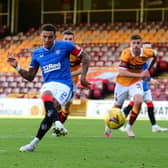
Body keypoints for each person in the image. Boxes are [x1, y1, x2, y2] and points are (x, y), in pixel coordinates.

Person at [7, 24, 90, 152]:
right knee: (47, 96)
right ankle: (47, 133)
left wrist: (83, 77)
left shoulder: (65, 46)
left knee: (51, 111)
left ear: (55, 37)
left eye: (50, 37)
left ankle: (38, 139)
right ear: (41, 36)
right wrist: (17, 67)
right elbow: (30, 76)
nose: (47, 40)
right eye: (44, 37)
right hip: (49, 84)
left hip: (65, 84)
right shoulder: (37, 53)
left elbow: (86, 57)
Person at [104, 34, 157, 138]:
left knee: (139, 101)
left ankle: (129, 127)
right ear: (130, 44)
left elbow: (155, 55)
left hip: (135, 82)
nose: (136, 45)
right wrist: (140, 74)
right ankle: (108, 128)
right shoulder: (126, 53)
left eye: (138, 43)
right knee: (117, 107)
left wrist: (148, 70)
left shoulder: (147, 52)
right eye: (134, 43)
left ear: (141, 44)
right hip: (122, 83)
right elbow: (122, 72)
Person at [122, 42, 168, 132]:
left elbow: (145, 72)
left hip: (145, 85)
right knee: (132, 105)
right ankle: (119, 120)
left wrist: (150, 79)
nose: (148, 50)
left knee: (149, 105)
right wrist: (150, 79)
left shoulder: (148, 59)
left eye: (149, 48)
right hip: (138, 85)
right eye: (146, 48)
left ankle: (154, 126)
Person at [57, 30, 82, 125]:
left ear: (73, 40)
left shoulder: (78, 52)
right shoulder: (57, 51)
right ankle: (57, 125)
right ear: (62, 40)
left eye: (70, 39)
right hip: (58, 81)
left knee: (66, 106)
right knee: (56, 104)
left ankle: (60, 124)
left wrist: (69, 74)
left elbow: (83, 69)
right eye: (66, 39)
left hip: (72, 82)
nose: (68, 41)